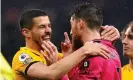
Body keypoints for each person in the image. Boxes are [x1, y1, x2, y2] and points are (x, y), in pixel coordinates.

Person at [12, 9, 119, 80]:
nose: (48, 30)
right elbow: (51, 73)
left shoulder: (56, 56)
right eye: (42, 27)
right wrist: (84, 50)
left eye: (49, 26)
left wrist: (109, 35)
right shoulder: (22, 57)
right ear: (26, 32)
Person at [65, 3, 121, 80]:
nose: (71, 32)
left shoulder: (93, 53)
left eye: (71, 25)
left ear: (80, 24)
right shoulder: (113, 51)